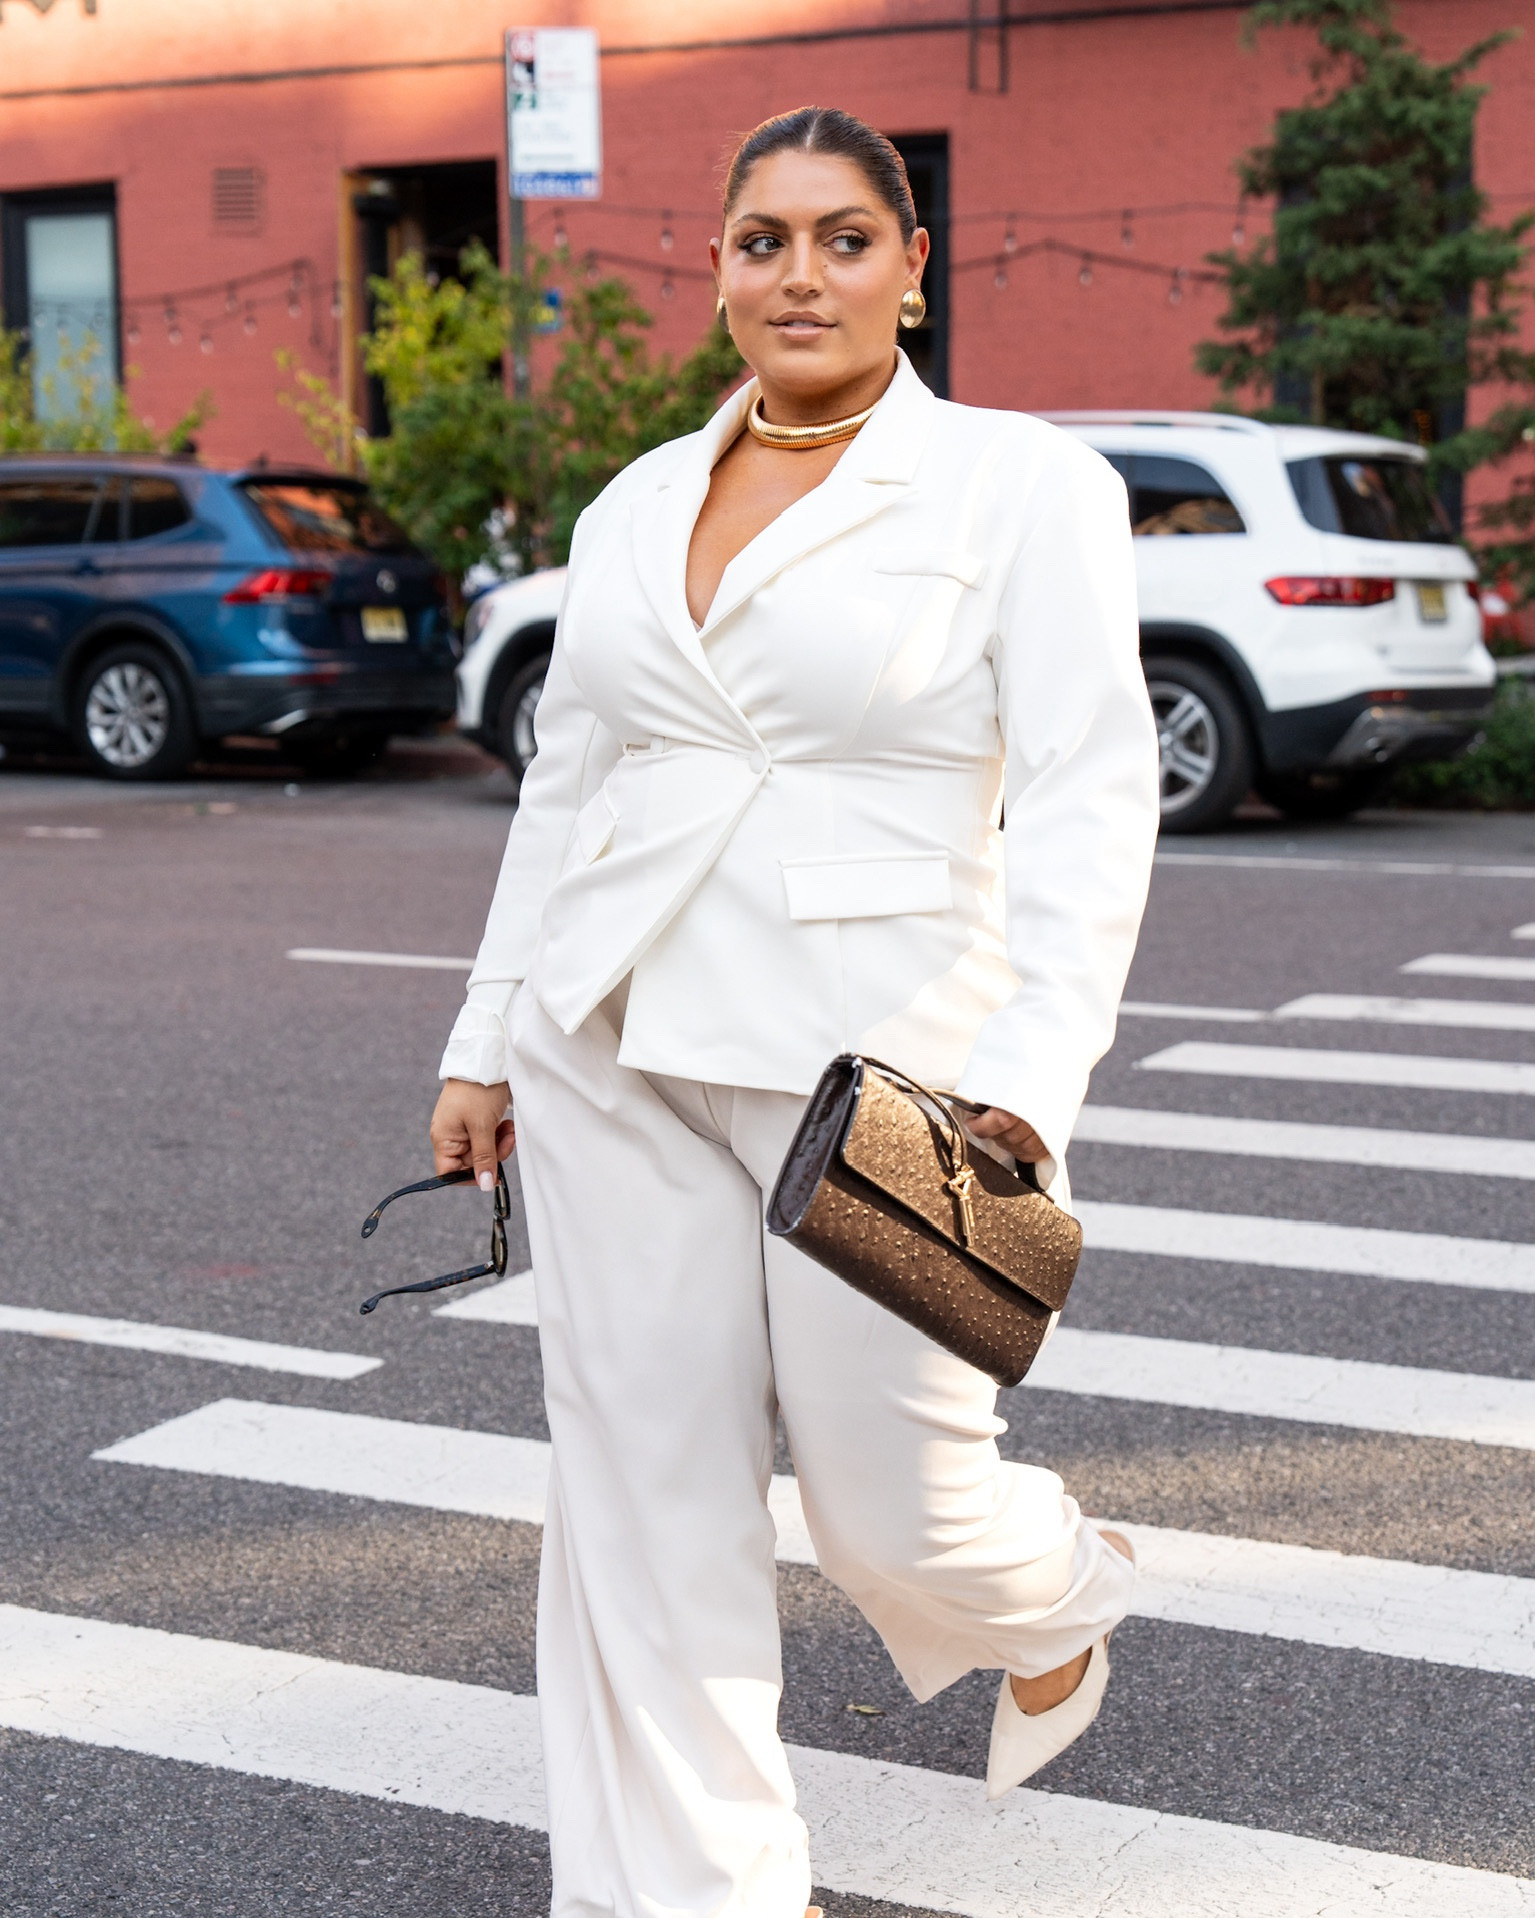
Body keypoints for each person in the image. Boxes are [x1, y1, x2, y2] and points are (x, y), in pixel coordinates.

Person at [431, 106, 1159, 1917]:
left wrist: (1034, 1075)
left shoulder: (1022, 488)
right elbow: (566, 778)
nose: (802, 273)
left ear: (915, 268)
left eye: (846, 237)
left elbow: (1088, 790)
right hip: (612, 1052)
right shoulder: (634, 502)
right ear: (718, 272)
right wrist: (481, 1033)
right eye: (764, 240)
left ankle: (1060, 1595)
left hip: (888, 1070)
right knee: (646, 1508)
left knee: (891, 1507)